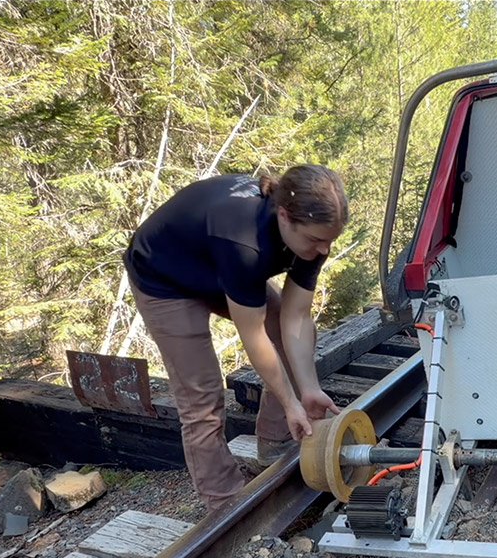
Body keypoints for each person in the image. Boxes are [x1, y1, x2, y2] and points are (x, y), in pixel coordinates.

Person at [124, 165, 347, 510]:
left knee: (290, 339)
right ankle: (224, 502)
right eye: (316, 240)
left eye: (330, 240)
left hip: (217, 265)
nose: (323, 250)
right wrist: (290, 404)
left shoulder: (311, 236)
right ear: (285, 217)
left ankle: (276, 441)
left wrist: (308, 390)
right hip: (165, 280)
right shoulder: (245, 241)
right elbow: (254, 336)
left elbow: (296, 318)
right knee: (202, 400)